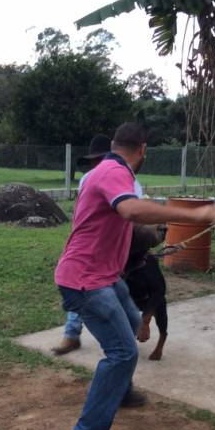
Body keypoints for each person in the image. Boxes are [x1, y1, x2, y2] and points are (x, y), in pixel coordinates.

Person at [55, 122, 215, 430]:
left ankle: (119, 390)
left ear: (116, 144)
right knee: (121, 354)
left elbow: (126, 222)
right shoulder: (114, 173)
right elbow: (131, 210)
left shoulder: (105, 170)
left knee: (134, 323)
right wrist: (196, 213)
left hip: (103, 276)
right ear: (143, 150)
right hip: (87, 281)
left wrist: (153, 239)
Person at [54, 134, 144, 356]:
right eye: (94, 160)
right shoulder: (93, 178)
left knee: (125, 312)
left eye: (99, 158)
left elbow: (133, 216)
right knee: (89, 293)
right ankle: (74, 334)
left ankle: (120, 352)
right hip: (89, 260)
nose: (97, 164)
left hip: (113, 255)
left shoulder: (129, 181)